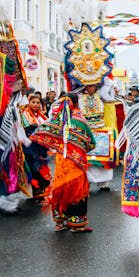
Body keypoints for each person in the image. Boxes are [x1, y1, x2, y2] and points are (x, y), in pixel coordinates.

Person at [31, 93, 95, 232]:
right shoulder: (80, 119)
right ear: (77, 104)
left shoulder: (57, 118)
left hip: (61, 161)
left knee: (60, 187)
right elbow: (91, 141)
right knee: (77, 190)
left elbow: (40, 131)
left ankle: (61, 222)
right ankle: (77, 224)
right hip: (76, 162)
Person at [21, 93, 50, 202]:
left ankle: (40, 192)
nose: (36, 104)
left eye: (38, 103)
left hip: (41, 147)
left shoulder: (42, 116)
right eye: (33, 102)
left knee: (41, 168)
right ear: (29, 103)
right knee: (33, 169)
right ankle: (34, 193)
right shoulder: (25, 115)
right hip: (30, 147)